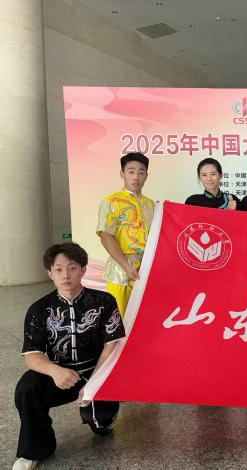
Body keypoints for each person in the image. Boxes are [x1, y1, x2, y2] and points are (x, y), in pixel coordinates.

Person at [13, 243, 125, 470]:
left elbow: (111, 344)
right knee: (27, 387)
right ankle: (34, 450)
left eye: (72, 268)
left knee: (101, 424)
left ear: (83, 270)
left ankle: (101, 418)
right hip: (61, 374)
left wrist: (94, 382)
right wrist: (55, 371)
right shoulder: (39, 309)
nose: (65, 275)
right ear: (50, 273)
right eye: (58, 269)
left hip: (97, 370)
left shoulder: (104, 301)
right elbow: (32, 356)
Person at [97, 152, 154, 317]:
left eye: (141, 172)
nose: (136, 177)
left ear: (146, 175)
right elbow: (106, 236)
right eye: (131, 171)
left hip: (145, 270)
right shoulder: (111, 201)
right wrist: (126, 266)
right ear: (122, 174)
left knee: (143, 318)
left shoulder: (151, 204)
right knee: (118, 319)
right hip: (120, 271)